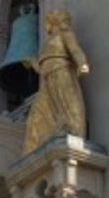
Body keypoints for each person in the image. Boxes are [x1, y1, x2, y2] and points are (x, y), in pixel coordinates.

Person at [23, 8, 89, 154]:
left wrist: (82, 64)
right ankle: (36, 145)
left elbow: (75, 50)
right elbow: (43, 68)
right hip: (47, 79)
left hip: (61, 73)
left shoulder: (65, 34)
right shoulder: (48, 42)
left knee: (66, 104)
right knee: (37, 114)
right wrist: (34, 62)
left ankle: (72, 132)